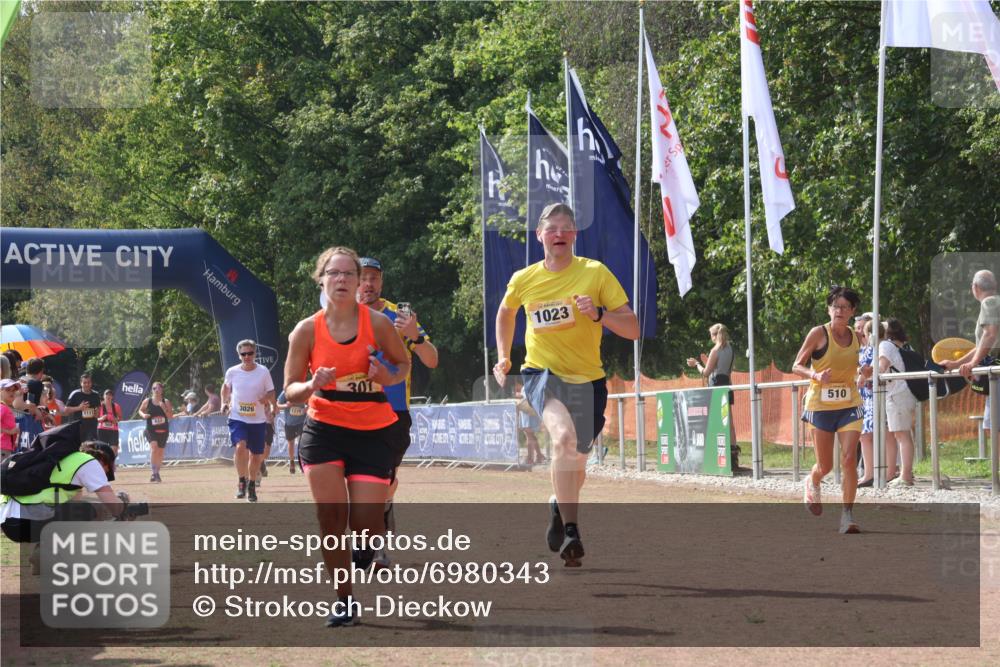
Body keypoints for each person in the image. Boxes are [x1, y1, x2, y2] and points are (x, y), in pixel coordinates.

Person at [494, 203, 639, 567]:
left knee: (577, 465)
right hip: (541, 375)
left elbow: (633, 328)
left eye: (566, 228)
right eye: (551, 228)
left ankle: (559, 505)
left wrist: (599, 314)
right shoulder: (523, 279)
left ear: (574, 235)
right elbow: (506, 312)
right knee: (562, 439)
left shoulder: (595, 273)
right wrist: (503, 356)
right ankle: (572, 533)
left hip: (588, 380)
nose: (558, 234)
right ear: (539, 235)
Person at [284, 246, 410, 627]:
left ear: (358, 282)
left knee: (365, 525)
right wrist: (311, 384)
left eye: (348, 274)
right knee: (330, 518)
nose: (341, 279)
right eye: (333, 273)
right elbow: (289, 389)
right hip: (324, 428)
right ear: (321, 280)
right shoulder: (306, 330)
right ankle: (344, 600)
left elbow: (403, 363)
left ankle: (368, 542)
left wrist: (386, 376)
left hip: (372, 430)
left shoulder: (378, 324)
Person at [357, 256, 439, 562]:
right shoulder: (340, 316)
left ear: (381, 282)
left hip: (392, 413)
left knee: (384, 480)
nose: (368, 284)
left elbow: (432, 359)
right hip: (350, 410)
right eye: (363, 277)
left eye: (374, 278)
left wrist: (415, 335)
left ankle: (380, 524)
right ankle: (371, 543)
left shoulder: (399, 316)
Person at [792, 286, 865, 534]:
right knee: (826, 466)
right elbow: (796, 365)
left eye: (844, 307)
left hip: (849, 404)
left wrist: (864, 371)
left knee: (849, 459)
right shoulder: (818, 334)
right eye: (835, 306)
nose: (839, 311)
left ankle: (847, 515)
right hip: (820, 406)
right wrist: (815, 375)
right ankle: (813, 480)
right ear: (828, 309)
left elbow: (859, 366)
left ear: (852, 311)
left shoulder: (858, 337)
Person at [1, 434, 127, 574]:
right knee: (90, 511)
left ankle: (43, 556)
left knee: (74, 512)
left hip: (9, 523)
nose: (107, 472)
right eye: (108, 467)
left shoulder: (64, 459)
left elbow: (71, 506)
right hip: (27, 521)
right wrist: (124, 505)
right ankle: (51, 555)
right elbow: (114, 507)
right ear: (102, 460)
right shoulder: (89, 463)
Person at [942, 269, 999, 432]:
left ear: (975, 287)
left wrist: (973, 364)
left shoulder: (989, 303)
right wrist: (956, 364)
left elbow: (990, 335)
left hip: (997, 372)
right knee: (991, 426)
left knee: (994, 428)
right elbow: (983, 344)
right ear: (995, 285)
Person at [221, 340, 276, 503]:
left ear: (255, 354)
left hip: (258, 420)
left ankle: (252, 485)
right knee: (240, 447)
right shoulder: (232, 371)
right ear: (239, 355)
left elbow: (272, 391)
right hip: (238, 417)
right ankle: (241, 482)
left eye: (250, 353)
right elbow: (225, 387)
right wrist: (224, 402)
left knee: (256, 455)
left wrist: (266, 399)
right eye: (243, 354)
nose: (247, 357)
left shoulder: (263, 371)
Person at [686, 323, 738, 465]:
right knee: (729, 422)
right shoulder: (730, 349)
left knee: (714, 421)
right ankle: (733, 454)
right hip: (727, 383)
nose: (711, 338)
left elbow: (706, 372)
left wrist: (697, 364)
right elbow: (727, 370)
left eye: (711, 335)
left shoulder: (715, 350)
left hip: (716, 385)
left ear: (715, 336)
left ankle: (716, 454)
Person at [857, 317, 880, 487]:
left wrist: (862, 373)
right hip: (862, 397)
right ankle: (868, 472)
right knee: (864, 436)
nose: (857, 331)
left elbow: (871, 369)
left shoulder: (874, 348)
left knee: (867, 435)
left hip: (873, 395)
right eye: (856, 327)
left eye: (861, 328)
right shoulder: (860, 349)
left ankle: (871, 473)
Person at [138, 382, 173, 483]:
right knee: (154, 448)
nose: (156, 390)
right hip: (151, 430)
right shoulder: (147, 401)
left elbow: (170, 417)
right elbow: (140, 410)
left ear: (162, 390)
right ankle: (154, 472)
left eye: (158, 388)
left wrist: (164, 409)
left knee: (160, 451)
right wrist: (143, 415)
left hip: (163, 430)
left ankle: (157, 473)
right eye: (154, 388)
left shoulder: (166, 402)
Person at [276, 388, 306, 474]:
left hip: (301, 421)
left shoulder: (303, 388)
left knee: (302, 443)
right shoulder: (286, 391)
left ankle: (302, 463)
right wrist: (286, 405)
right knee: (291, 443)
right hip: (289, 423)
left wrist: (306, 409)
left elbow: (311, 402)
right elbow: (277, 404)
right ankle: (292, 462)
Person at [64, 373, 101, 441]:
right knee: (78, 446)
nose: (87, 384)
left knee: (91, 446)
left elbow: (98, 409)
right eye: (84, 383)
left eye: (88, 382)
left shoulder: (96, 395)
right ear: (81, 383)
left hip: (91, 429)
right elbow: (66, 410)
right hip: (77, 428)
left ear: (91, 383)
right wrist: (79, 408)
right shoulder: (75, 394)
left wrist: (97, 413)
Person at [97, 389, 124, 455]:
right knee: (102, 450)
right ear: (103, 396)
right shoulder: (99, 406)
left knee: (114, 450)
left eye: (110, 395)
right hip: (102, 430)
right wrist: (101, 418)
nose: (108, 396)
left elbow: (120, 417)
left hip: (113, 430)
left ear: (112, 397)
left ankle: (111, 461)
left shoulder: (116, 406)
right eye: (107, 394)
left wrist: (116, 420)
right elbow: (95, 418)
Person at [21, 357, 46, 423]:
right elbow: (36, 405)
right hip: (31, 420)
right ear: (41, 371)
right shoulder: (36, 384)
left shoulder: (19, 381)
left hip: (17, 418)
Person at [1, 379, 21, 460]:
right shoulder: (2, 407)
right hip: (2, 447)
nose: (11, 393)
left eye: (13, 390)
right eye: (8, 390)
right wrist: (10, 432)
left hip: (5, 448)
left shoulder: (5, 407)